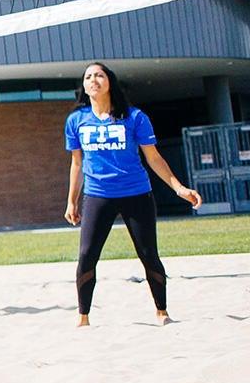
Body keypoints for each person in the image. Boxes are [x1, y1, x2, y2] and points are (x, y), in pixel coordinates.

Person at [66, 62, 201, 327]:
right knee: (87, 254)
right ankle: (83, 317)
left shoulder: (135, 117)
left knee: (148, 253)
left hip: (136, 193)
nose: (93, 80)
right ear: (84, 85)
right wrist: (71, 200)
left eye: (99, 75)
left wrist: (179, 187)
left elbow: (153, 157)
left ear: (110, 82)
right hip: (97, 194)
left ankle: (162, 311)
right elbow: (77, 164)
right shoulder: (76, 120)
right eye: (88, 77)